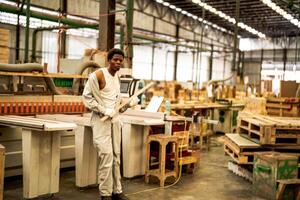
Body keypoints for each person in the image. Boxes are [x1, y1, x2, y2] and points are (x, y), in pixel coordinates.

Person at [82, 48, 135, 200]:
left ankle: (117, 191)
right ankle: (105, 194)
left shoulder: (117, 77)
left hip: (115, 120)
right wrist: (104, 110)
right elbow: (87, 98)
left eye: (120, 60)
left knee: (116, 157)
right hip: (101, 121)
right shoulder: (97, 75)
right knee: (106, 156)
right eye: (115, 59)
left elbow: (116, 102)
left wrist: (126, 104)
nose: (118, 62)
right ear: (109, 60)